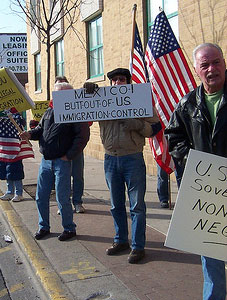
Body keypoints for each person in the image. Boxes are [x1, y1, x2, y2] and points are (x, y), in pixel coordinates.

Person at [164, 43, 227, 300]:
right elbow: (174, 137)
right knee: (211, 255)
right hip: (207, 194)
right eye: (205, 65)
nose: (212, 69)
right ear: (196, 71)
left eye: (216, 62)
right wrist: (196, 163)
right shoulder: (188, 104)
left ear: (224, 63)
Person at [85, 68, 161, 264]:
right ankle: (121, 240)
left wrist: (135, 124)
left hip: (132, 159)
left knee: (136, 206)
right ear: (110, 84)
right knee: (115, 204)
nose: (118, 83)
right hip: (110, 159)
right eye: (114, 80)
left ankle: (138, 246)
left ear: (128, 82)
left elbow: (156, 127)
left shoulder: (139, 100)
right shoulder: (101, 100)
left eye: (122, 79)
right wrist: (88, 93)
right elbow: (83, 117)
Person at [20, 82, 90, 241]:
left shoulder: (76, 112)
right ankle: (43, 226)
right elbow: (40, 130)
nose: (59, 97)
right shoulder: (49, 111)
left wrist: (69, 156)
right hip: (46, 162)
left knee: (62, 198)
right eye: (56, 93)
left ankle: (69, 228)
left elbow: (82, 137)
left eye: (63, 94)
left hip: (62, 162)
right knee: (41, 196)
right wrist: (29, 134)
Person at [55, 76, 86, 213]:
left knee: (77, 176)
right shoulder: (52, 107)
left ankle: (77, 202)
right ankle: (63, 204)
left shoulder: (78, 106)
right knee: (62, 178)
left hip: (76, 149)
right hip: (60, 149)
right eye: (58, 87)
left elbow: (86, 127)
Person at [0, 113, 27, 202]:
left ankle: (19, 193)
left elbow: (22, 124)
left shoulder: (17, 115)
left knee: (15, 171)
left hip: (14, 147)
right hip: (3, 146)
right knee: (7, 171)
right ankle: (10, 192)